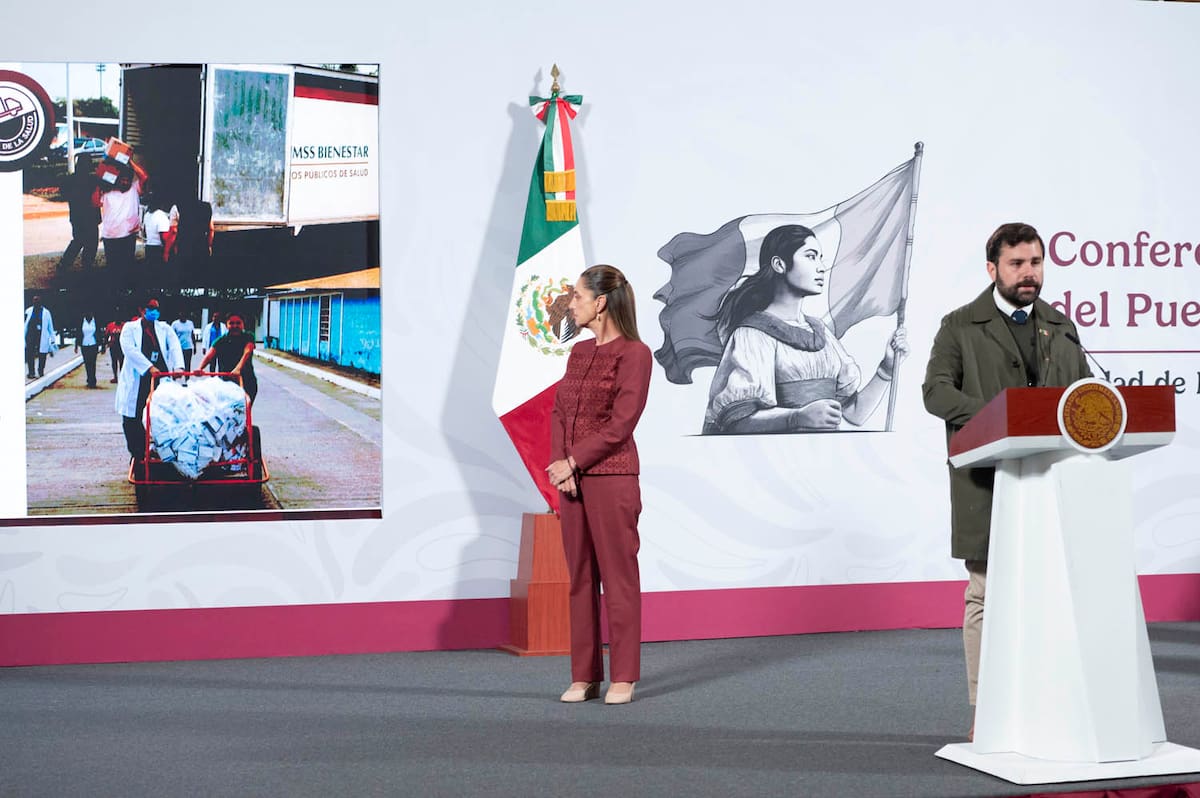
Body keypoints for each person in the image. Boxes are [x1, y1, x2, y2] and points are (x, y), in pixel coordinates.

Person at [922, 222, 1091, 740]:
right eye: (1017, 264)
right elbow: (936, 393)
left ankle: (1048, 705)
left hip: (1052, 479)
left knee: (1053, 595)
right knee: (986, 594)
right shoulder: (959, 326)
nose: (1029, 273)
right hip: (989, 480)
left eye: (1036, 262)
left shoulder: (1060, 326)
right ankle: (986, 709)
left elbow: (1082, 396)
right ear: (993, 269)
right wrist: (1001, 417)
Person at [546, 265, 653, 706]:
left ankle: (624, 676)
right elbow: (558, 412)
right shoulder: (578, 354)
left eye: (576, 296)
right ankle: (584, 675)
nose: (571, 304)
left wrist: (574, 460)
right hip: (572, 481)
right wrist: (561, 466)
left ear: (601, 302)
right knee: (580, 579)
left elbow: (622, 422)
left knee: (619, 578)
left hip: (612, 478)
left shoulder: (635, 354)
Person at [704, 224, 908, 433]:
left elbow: (854, 414)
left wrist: (887, 369)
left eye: (820, 258)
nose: (821, 267)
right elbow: (736, 422)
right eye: (811, 256)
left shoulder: (821, 333)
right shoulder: (752, 335)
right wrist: (796, 417)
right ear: (779, 264)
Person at [116, 299, 184, 459]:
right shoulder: (129, 328)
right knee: (133, 418)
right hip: (138, 379)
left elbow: (174, 345)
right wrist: (149, 367)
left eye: (157, 309)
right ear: (141, 310)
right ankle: (138, 454)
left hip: (160, 379)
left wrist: (179, 366)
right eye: (151, 308)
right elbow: (130, 350)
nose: (154, 312)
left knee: (161, 416)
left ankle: (162, 452)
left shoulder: (164, 328)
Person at [99, 158, 149, 288]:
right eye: (123, 179)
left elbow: (144, 177)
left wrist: (130, 161)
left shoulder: (134, 189)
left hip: (128, 236)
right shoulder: (107, 192)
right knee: (113, 269)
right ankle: (114, 292)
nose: (125, 182)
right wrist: (100, 181)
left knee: (127, 267)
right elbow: (94, 202)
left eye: (128, 179)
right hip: (110, 237)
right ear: (117, 179)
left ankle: (126, 291)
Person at [197, 314, 257, 402]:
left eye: (238, 323)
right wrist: (200, 368)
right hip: (226, 384)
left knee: (244, 410)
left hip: (247, 381)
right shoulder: (221, 340)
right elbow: (209, 356)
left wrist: (238, 369)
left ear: (243, 324)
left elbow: (247, 352)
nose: (235, 326)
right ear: (226, 325)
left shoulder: (248, 337)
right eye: (231, 323)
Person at [56, 156, 101, 274]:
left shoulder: (70, 180)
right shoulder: (93, 179)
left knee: (78, 240)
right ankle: (87, 265)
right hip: (91, 216)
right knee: (91, 242)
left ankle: (64, 263)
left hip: (76, 216)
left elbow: (63, 194)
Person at [24, 295, 56, 379]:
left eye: (37, 301)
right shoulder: (28, 311)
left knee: (42, 354)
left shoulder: (46, 313)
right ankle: (31, 372)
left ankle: (41, 370)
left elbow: (50, 327)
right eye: (34, 301)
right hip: (31, 336)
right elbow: (25, 324)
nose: (36, 302)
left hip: (41, 336)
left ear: (40, 302)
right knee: (30, 354)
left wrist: (53, 339)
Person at [142, 194, 174, 267]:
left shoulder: (147, 214)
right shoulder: (161, 216)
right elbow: (164, 237)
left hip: (148, 247)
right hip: (158, 249)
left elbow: (144, 232)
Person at [74, 312, 101, 388]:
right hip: (84, 344)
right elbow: (78, 334)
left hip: (93, 344)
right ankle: (89, 379)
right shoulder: (82, 322)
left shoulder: (95, 322)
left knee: (92, 362)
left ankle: (93, 380)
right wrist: (76, 346)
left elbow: (99, 333)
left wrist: (102, 345)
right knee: (87, 363)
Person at [171, 312, 196, 380]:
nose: (183, 317)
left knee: (187, 364)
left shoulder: (190, 323)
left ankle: (187, 380)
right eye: (181, 315)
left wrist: (194, 346)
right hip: (178, 348)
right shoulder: (175, 324)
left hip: (188, 347)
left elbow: (192, 335)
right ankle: (174, 379)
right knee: (176, 364)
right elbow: (171, 336)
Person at [104, 318, 124, 384]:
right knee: (114, 362)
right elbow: (106, 336)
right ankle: (115, 377)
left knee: (122, 362)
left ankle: (122, 377)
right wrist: (104, 345)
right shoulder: (110, 326)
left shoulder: (124, 325)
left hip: (121, 346)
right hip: (113, 346)